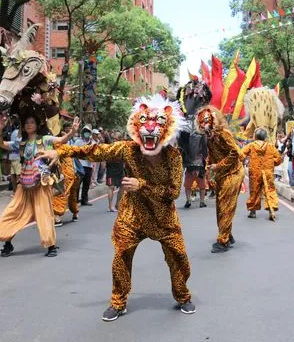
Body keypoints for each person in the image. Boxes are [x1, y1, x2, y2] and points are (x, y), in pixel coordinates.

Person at [40, 94, 195, 321]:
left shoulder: (173, 156)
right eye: (144, 123)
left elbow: (172, 192)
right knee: (121, 255)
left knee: (179, 256)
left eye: (156, 124)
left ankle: (182, 295)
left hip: (163, 218)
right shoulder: (128, 149)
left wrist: (141, 184)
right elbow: (96, 151)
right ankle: (118, 301)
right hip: (132, 214)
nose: (150, 129)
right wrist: (61, 151)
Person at [0, 115, 77, 258]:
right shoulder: (21, 143)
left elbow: (61, 140)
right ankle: (7, 242)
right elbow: (2, 144)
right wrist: (0, 130)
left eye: (32, 122)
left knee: (44, 213)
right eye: (26, 122)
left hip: (41, 183)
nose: (29, 124)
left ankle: (51, 246)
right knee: (12, 212)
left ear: (37, 125)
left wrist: (72, 132)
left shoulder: (44, 139)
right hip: (24, 186)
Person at [196, 106, 244, 253]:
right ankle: (227, 234)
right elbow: (212, 153)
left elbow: (236, 153)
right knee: (220, 206)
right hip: (222, 174)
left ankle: (223, 241)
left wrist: (219, 165)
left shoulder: (224, 134)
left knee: (225, 206)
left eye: (207, 121)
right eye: (202, 122)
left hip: (234, 173)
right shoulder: (209, 137)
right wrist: (209, 165)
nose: (205, 125)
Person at [241, 128, 282, 220]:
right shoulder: (271, 146)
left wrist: (242, 163)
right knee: (270, 190)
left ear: (255, 136)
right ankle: (271, 210)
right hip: (268, 171)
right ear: (265, 137)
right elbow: (279, 159)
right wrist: (272, 162)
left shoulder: (251, 145)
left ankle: (253, 212)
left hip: (255, 172)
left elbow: (241, 155)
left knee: (254, 191)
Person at [183, 130, 208, 209]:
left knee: (188, 185)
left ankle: (188, 200)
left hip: (190, 165)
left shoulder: (186, 134)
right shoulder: (202, 134)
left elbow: (183, 148)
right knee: (202, 186)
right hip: (200, 165)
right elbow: (205, 150)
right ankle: (202, 202)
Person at [75, 125, 95, 206]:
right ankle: (75, 200)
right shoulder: (78, 141)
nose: (86, 133)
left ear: (90, 133)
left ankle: (84, 200)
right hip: (80, 165)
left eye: (87, 131)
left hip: (89, 165)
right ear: (82, 133)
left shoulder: (93, 142)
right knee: (77, 184)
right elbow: (74, 151)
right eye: (85, 131)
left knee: (86, 184)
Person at [105, 129, 124, 213]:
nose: (115, 140)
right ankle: (110, 206)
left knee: (122, 186)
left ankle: (117, 204)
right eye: (114, 138)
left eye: (116, 139)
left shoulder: (123, 147)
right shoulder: (109, 147)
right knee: (111, 187)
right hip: (111, 169)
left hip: (120, 169)